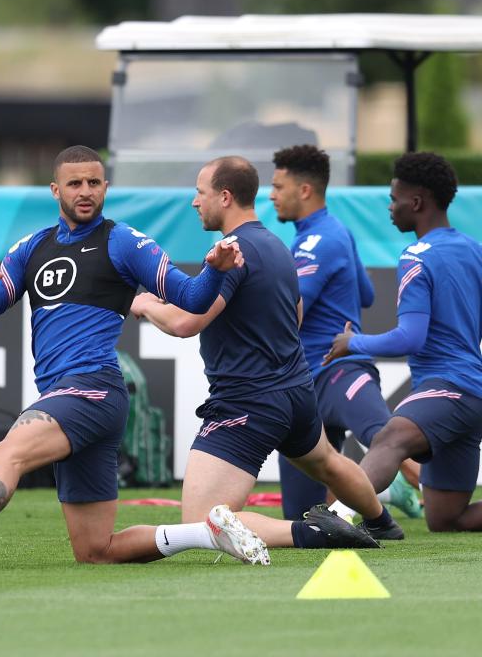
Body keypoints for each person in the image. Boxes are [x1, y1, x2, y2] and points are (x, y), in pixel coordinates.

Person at [0, 145, 270, 570]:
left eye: (93, 183)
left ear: (106, 187)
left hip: (92, 389)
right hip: (75, 399)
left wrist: (214, 269)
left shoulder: (123, 242)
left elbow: (193, 298)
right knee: (96, 551)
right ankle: (208, 532)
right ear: (55, 190)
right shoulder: (32, 248)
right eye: (74, 184)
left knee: (3, 454)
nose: (85, 191)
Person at [130, 156, 402, 550]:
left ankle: (315, 531)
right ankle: (382, 521)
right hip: (295, 392)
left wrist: (144, 305)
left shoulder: (232, 251)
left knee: (202, 521)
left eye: (199, 193)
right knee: (327, 461)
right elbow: (297, 314)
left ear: (224, 197)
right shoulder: (277, 245)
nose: (194, 202)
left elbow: (186, 323)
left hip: (247, 401)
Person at [325, 152, 482, 533]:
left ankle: (335, 519)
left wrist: (352, 343)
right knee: (446, 518)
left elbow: (411, 337)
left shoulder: (415, 256)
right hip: (470, 392)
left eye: (394, 199)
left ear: (416, 202)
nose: (389, 207)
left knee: (390, 437)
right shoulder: (475, 250)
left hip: (450, 387)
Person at [269, 145, 422, 522]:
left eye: (277, 186)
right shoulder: (333, 233)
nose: (271, 194)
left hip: (339, 371)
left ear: (304, 190)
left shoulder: (317, 242)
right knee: (301, 516)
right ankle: (380, 486)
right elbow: (366, 295)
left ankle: (429, 498)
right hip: (304, 385)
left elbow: (292, 309)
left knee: (390, 440)